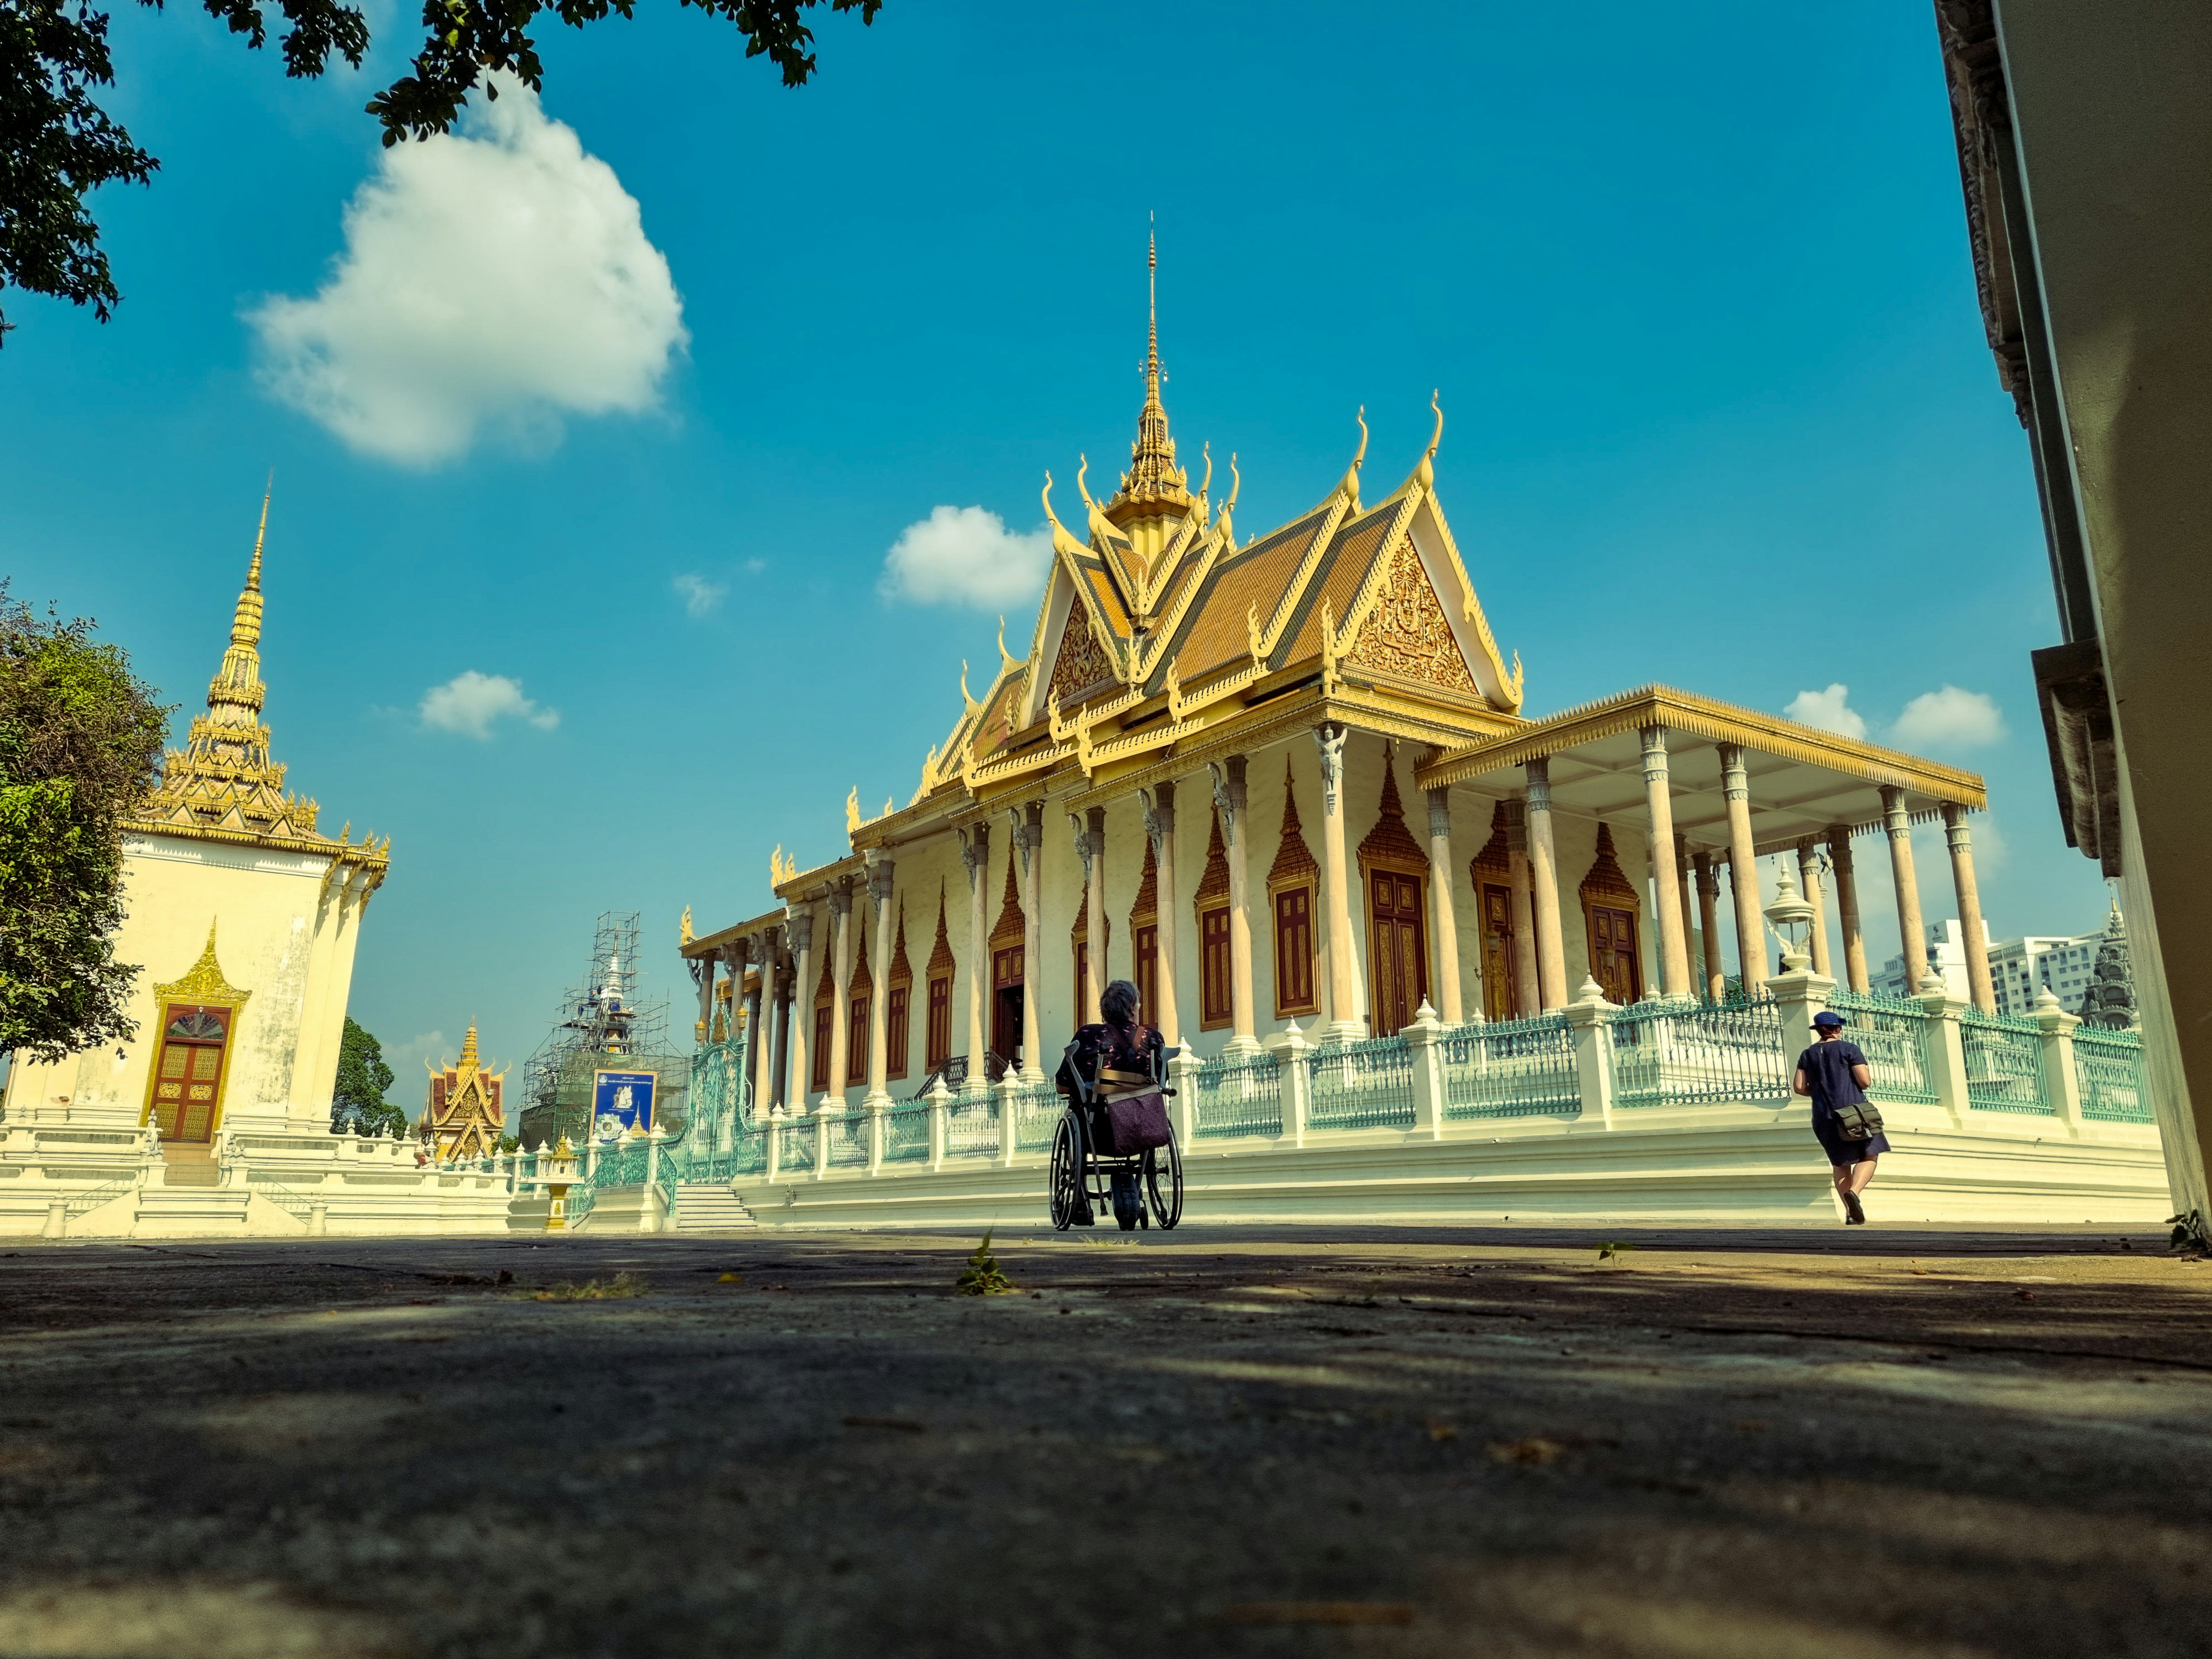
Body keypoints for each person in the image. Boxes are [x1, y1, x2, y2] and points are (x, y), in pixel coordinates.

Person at [1057, 978, 1166, 1230]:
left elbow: (1062, 1084)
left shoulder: (1088, 1035)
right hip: (1143, 1128)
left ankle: (1080, 1200)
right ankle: (1142, 1188)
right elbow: (1161, 1082)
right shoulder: (1152, 1039)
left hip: (1099, 1132)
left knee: (1076, 1108)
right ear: (1131, 1007)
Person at [1793, 1009, 1887, 1224]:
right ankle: (1854, 1192)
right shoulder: (1849, 1049)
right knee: (1870, 1154)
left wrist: (1818, 1092)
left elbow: (1799, 1087)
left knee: (1840, 1163)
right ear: (1837, 1029)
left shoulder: (1807, 1054)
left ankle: (1849, 1213)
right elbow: (1864, 1081)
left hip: (1823, 1117)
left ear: (1819, 1031)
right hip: (1855, 1114)